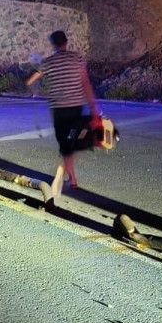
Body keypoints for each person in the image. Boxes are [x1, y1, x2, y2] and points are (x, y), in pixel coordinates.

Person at [24, 30, 101, 207]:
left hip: (59, 110)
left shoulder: (48, 63)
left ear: (53, 45)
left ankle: (70, 177)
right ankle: (70, 176)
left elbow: (29, 81)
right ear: (66, 42)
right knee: (73, 140)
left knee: (65, 144)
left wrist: (35, 83)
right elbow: (85, 83)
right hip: (75, 107)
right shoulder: (77, 58)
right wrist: (93, 107)